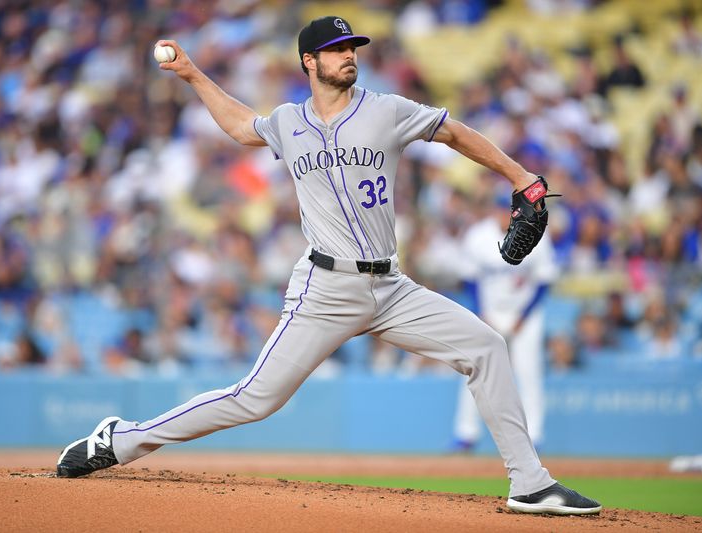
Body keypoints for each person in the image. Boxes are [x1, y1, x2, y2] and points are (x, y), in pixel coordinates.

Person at [56, 16, 600, 515]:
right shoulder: (289, 122)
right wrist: (194, 75)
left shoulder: (386, 109)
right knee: (254, 399)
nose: (348, 55)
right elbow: (243, 126)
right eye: (335, 49)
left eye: (352, 47)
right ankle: (121, 440)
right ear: (308, 62)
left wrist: (519, 176)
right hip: (324, 288)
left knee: (486, 347)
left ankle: (528, 481)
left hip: (390, 286)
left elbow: (454, 132)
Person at [452, 192, 559, 452]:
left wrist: (523, 317)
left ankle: (534, 435)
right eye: (501, 208)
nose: (505, 213)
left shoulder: (536, 235)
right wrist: (481, 313)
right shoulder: (478, 236)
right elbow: (469, 279)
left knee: (528, 372)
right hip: (490, 313)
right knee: (474, 367)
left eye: (510, 209)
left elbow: (545, 282)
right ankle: (466, 434)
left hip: (525, 315)